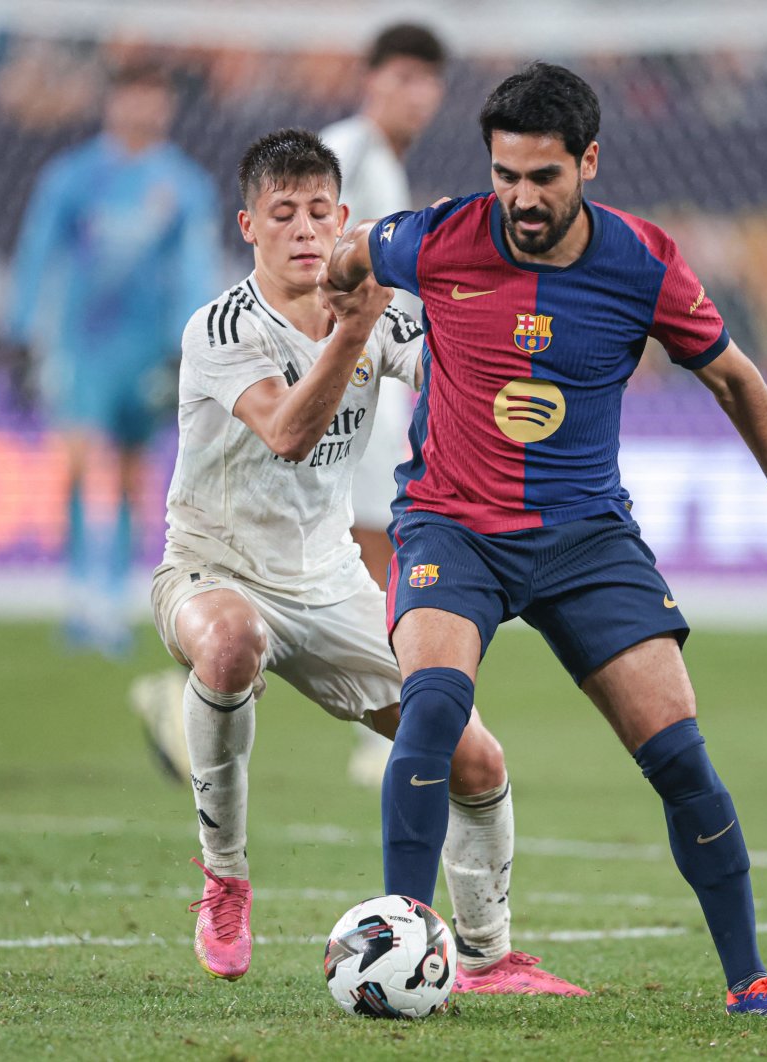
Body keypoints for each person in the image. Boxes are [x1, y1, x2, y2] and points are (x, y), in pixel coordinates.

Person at [324, 63, 767, 1019]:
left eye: (544, 178)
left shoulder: (643, 261)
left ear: (589, 162)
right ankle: (403, 938)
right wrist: (337, 305)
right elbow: (355, 252)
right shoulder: (444, 234)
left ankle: (752, 981)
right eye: (507, 176)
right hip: (453, 523)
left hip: (587, 540)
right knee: (435, 710)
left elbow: (734, 378)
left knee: (681, 758)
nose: (522, 200)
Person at [149, 128, 583, 995]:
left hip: (334, 583)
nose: (305, 230)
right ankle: (225, 880)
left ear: (344, 218)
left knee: (476, 761)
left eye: (320, 212)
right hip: (211, 568)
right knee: (230, 642)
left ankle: (489, 956)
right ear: (249, 225)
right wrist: (356, 325)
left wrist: (533, 357)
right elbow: (289, 433)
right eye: (284, 214)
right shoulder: (224, 327)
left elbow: (460, 366)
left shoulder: (377, 308)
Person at [2, 62, 219, 654]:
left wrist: (188, 344)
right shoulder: (73, 177)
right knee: (73, 462)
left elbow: (195, 268)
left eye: (153, 98)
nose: (142, 109)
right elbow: (38, 252)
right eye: (132, 96)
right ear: (112, 101)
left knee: (130, 473)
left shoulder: (184, 185)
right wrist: (20, 332)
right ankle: (77, 594)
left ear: (168, 107)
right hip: (82, 344)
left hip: (146, 348)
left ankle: (113, 601)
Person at [320, 22, 447, 788]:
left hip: (377, 387)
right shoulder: (347, 155)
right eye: (402, 77)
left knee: (374, 553)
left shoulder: (384, 163)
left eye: (427, 81)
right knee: (377, 553)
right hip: (348, 388)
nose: (416, 94)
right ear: (370, 80)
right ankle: (386, 730)